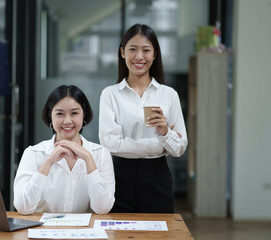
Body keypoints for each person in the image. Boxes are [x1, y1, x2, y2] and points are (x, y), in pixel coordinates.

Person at [99, 24, 188, 213]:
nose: (139, 57)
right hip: (118, 177)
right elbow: (110, 144)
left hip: (157, 178)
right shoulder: (110, 94)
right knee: (118, 233)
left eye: (146, 50)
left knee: (160, 234)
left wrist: (164, 132)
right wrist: (160, 145)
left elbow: (180, 147)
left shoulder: (168, 95)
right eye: (132, 49)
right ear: (122, 52)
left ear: (154, 54)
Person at [14, 85, 115, 215]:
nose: (67, 121)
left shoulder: (100, 154)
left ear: (84, 115)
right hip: (43, 231)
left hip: (86, 232)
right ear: (50, 116)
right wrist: (48, 162)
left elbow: (103, 208)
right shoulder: (33, 153)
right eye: (60, 114)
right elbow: (23, 207)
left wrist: (88, 159)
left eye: (74, 113)